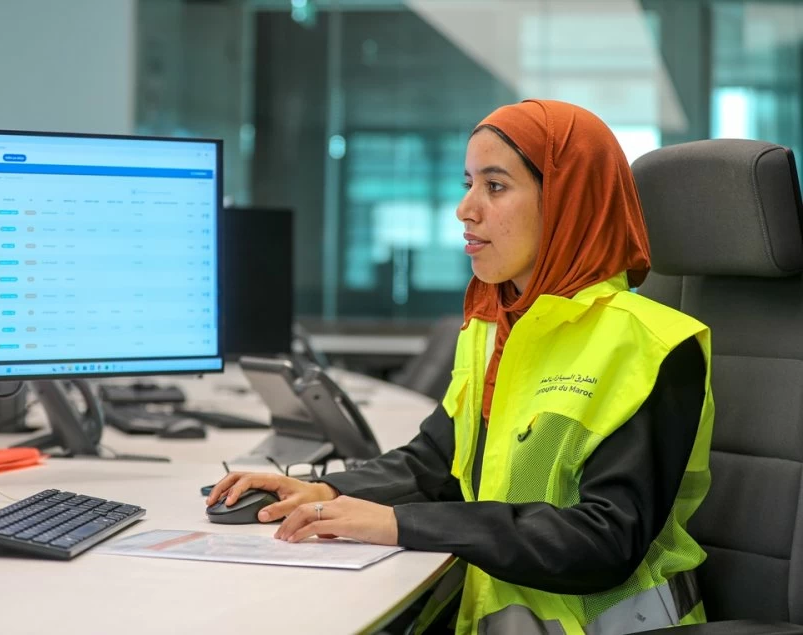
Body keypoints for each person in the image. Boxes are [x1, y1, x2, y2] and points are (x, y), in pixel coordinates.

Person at [207, 99, 714, 634]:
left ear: (567, 202)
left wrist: (401, 524)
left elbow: (604, 539)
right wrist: (328, 490)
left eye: (495, 187)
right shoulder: (493, 327)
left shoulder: (652, 345)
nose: (465, 209)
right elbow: (435, 461)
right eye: (468, 183)